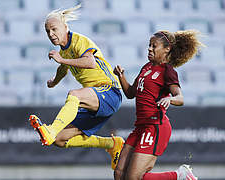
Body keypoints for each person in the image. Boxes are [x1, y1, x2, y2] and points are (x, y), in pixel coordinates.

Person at [28, 4, 124, 170]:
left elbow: (90, 62)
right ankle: (112, 143)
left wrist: (62, 60)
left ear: (65, 27)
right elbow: (62, 70)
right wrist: (53, 82)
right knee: (59, 140)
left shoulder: (79, 41)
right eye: (47, 31)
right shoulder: (64, 51)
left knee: (74, 94)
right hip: (94, 101)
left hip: (110, 91)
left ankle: (50, 130)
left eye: (54, 29)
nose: (51, 34)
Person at [113, 30, 204, 180]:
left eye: (154, 46)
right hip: (140, 127)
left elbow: (180, 98)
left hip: (155, 126)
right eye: (149, 45)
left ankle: (179, 175)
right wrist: (121, 76)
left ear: (167, 49)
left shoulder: (168, 71)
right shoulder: (146, 67)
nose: (149, 48)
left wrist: (170, 99)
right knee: (119, 173)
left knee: (133, 177)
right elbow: (130, 93)